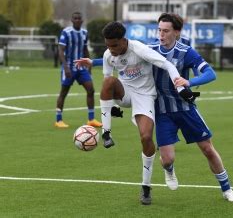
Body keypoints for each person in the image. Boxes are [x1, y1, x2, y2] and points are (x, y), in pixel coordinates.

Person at [74, 21, 197, 205]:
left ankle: (146, 187)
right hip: (125, 92)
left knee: (146, 138)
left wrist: (180, 87)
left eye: (114, 45)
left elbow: (168, 65)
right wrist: (113, 110)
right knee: (107, 82)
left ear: (124, 40)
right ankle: (106, 133)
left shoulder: (139, 49)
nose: (111, 49)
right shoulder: (109, 55)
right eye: (108, 45)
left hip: (145, 95)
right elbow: (108, 88)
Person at [148, 13, 233, 202]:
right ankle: (169, 170)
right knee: (167, 159)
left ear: (177, 32)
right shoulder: (150, 49)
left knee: (207, 148)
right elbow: (120, 57)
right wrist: (95, 62)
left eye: (165, 31)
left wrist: (189, 81)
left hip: (186, 108)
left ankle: (227, 189)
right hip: (163, 112)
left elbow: (210, 73)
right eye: (159, 30)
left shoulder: (186, 51)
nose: (161, 35)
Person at [54, 12, 102, 128]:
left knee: (90, 89)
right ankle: (58, 120)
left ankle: (91, 119)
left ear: (82, 20)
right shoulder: (66, 32)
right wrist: (65, 67)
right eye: (75, 18)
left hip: (81, 68)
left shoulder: (84, 33)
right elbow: (61, 50)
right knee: (64, 92)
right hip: (69, 67)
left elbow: (85, 49)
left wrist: (88, 65)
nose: (77, 20)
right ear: (71, 20)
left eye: (79, 18)